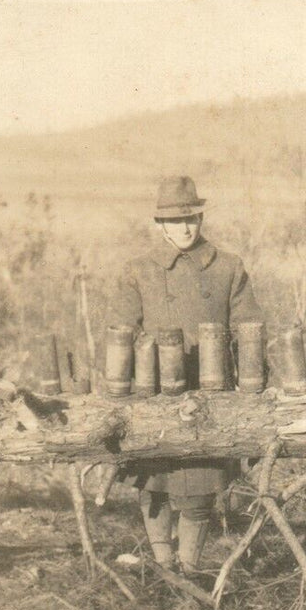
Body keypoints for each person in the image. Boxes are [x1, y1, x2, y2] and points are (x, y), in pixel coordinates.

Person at [108, 176, 262, 574]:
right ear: (160, 224)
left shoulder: (227, 267)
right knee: (153, 485)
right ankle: (163, 568)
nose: (185, 228)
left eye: (191, 218)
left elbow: (249, 331)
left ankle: (188, 570)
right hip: (154, 393)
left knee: (199, 490)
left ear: (201, 218)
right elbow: (121, 331)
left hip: (209, 397)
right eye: (175, 221)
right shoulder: (139, 270)